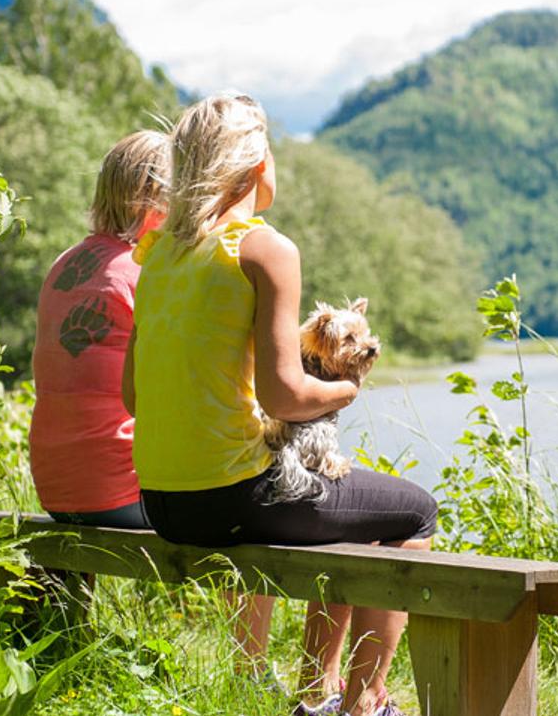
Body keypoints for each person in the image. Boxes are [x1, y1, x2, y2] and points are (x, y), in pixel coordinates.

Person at [123, 94, 436, 716]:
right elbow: (285, 396)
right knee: (414, 513)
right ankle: (363, 701)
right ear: (255, 164)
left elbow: (133, 393)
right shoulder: (265, 248)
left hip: (161, 502)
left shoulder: (157, 256)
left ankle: (316, 695)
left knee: (352, 517)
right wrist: (345, 390)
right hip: (235, 496)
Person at [28, 130, 168, 528]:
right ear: (156, 200)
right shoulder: (144, 272)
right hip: (119, 491)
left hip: (55, 486)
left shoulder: (64, 262)